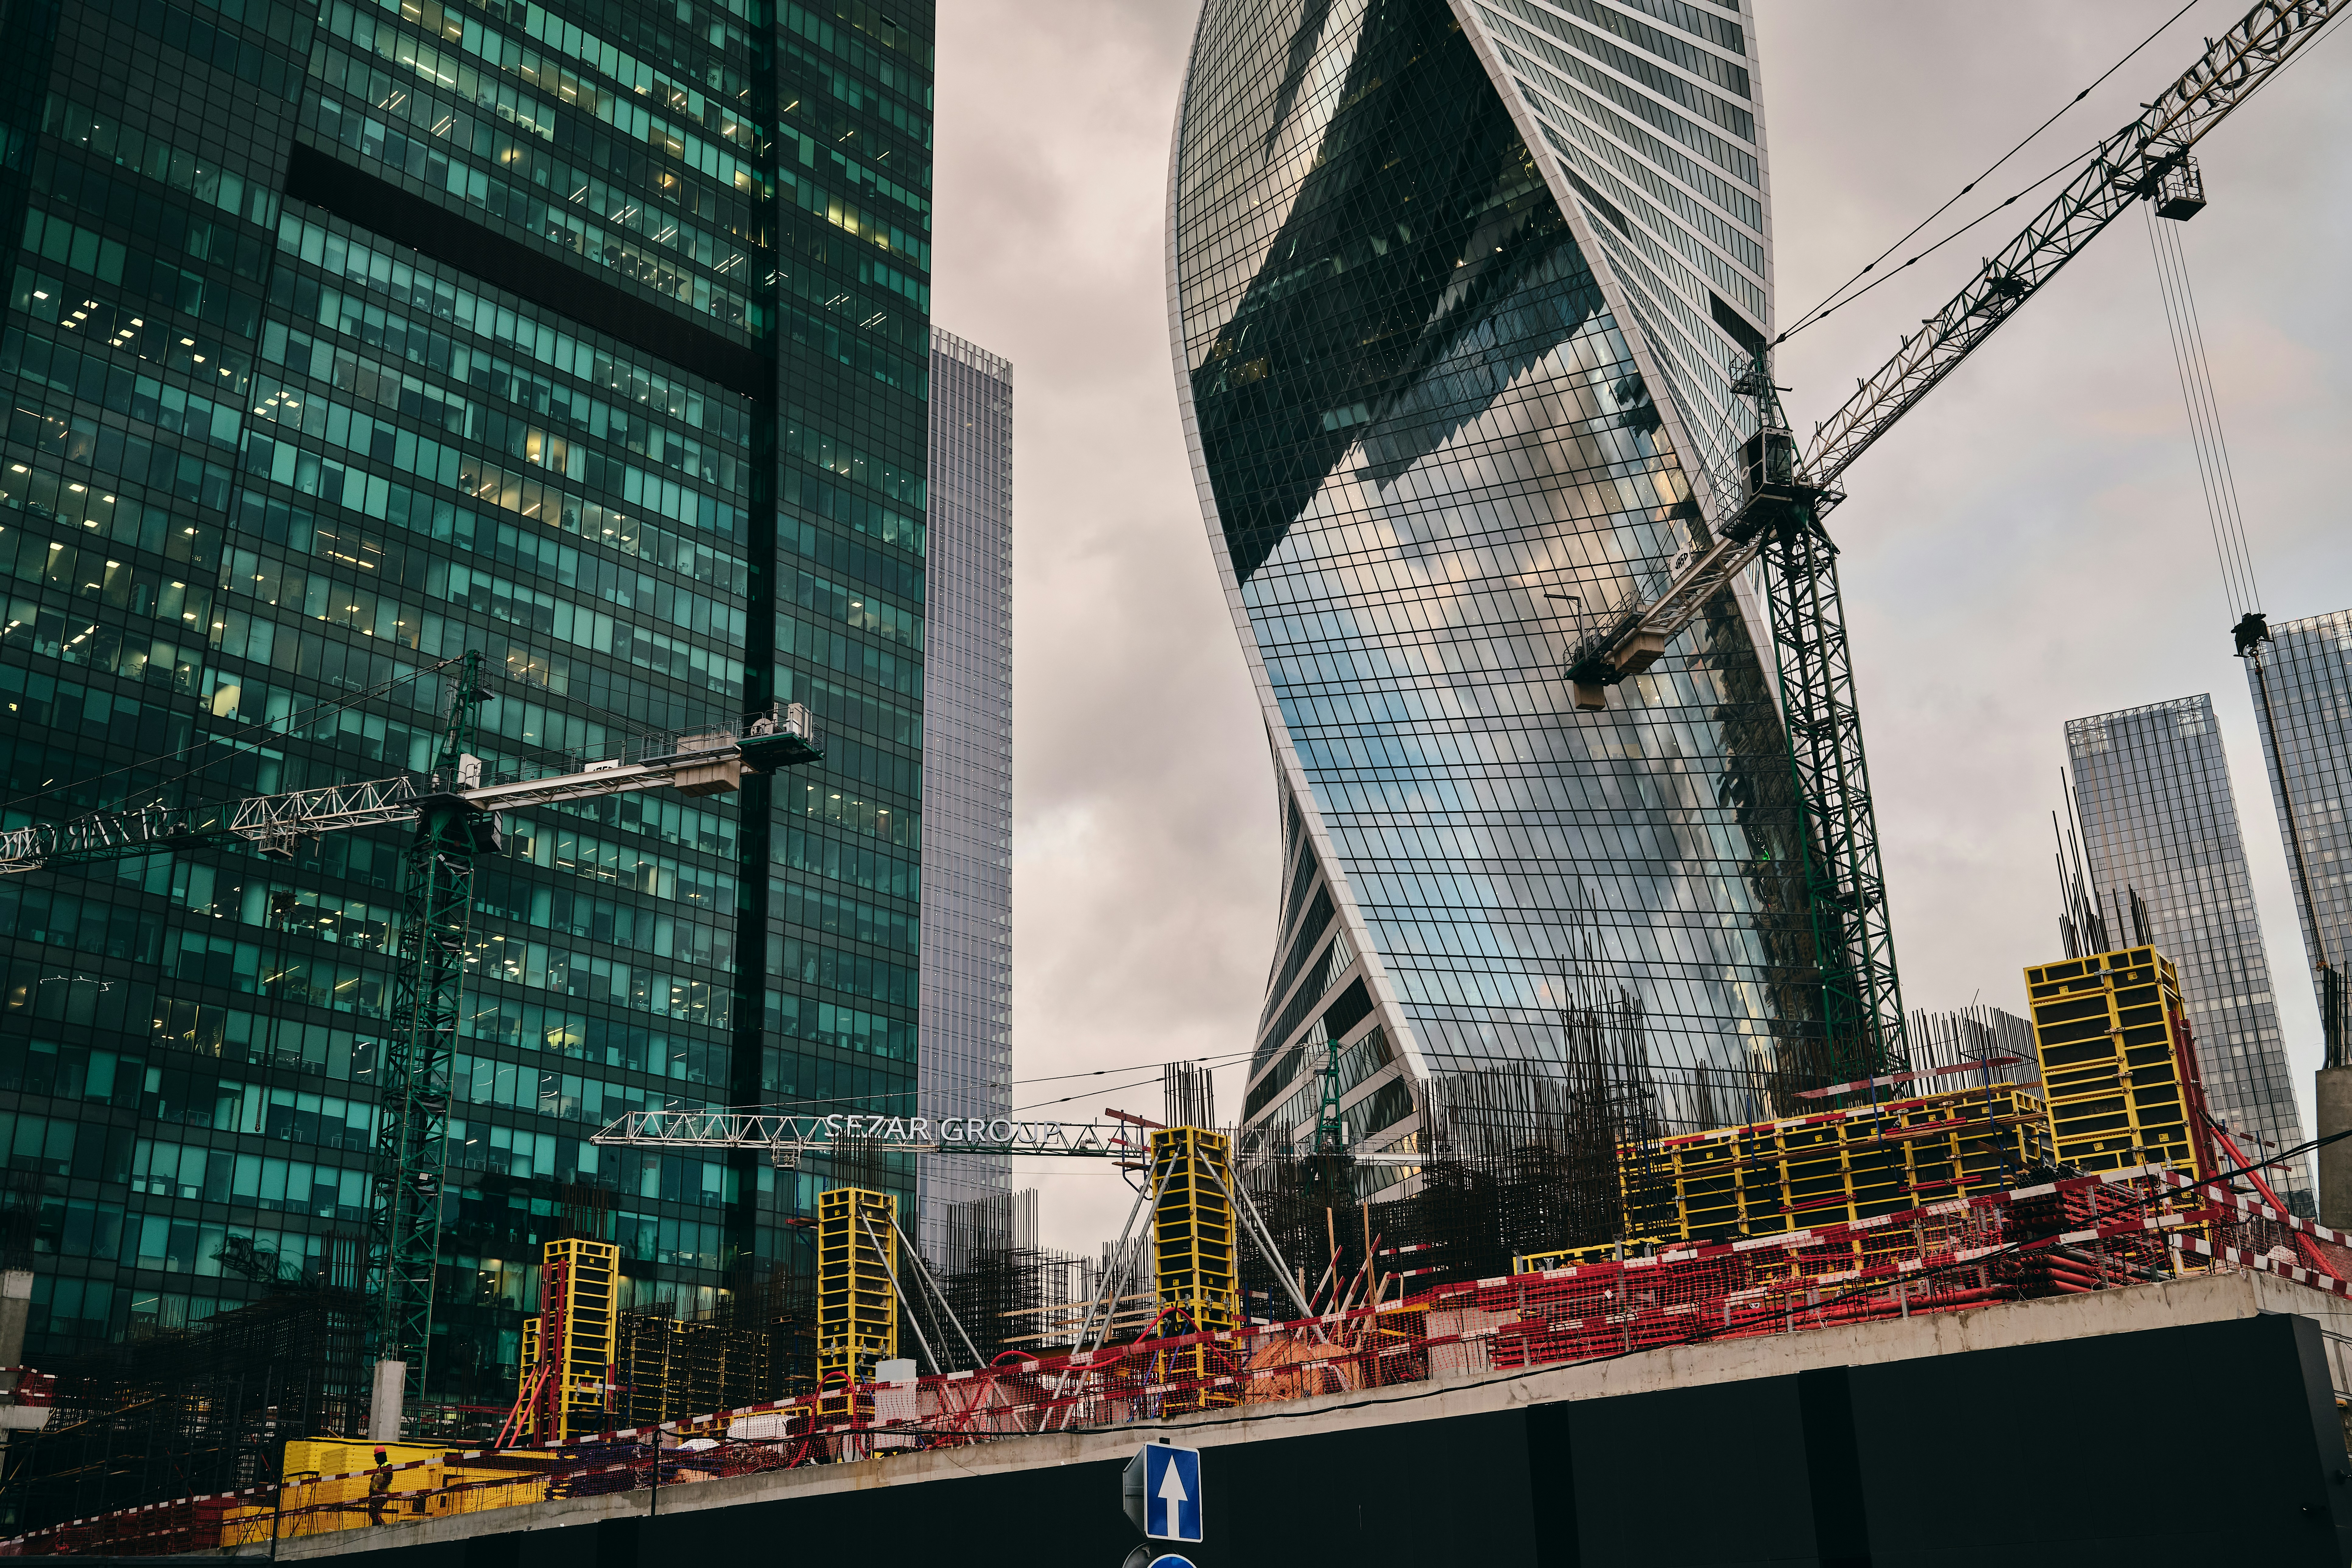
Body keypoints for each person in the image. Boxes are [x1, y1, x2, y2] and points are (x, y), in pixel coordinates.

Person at [367, 1448, 393, 1525]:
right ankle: (378, 1525)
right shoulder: (380, 1467)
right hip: (376, 1494)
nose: (375, 1459)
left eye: (376, 1457)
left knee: (375, 1512)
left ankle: (380, 1525)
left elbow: (388, 1479)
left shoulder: (388, 1466)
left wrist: (380, 1489)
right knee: (372, 1511)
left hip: (382, 1494)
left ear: (380, 1457)